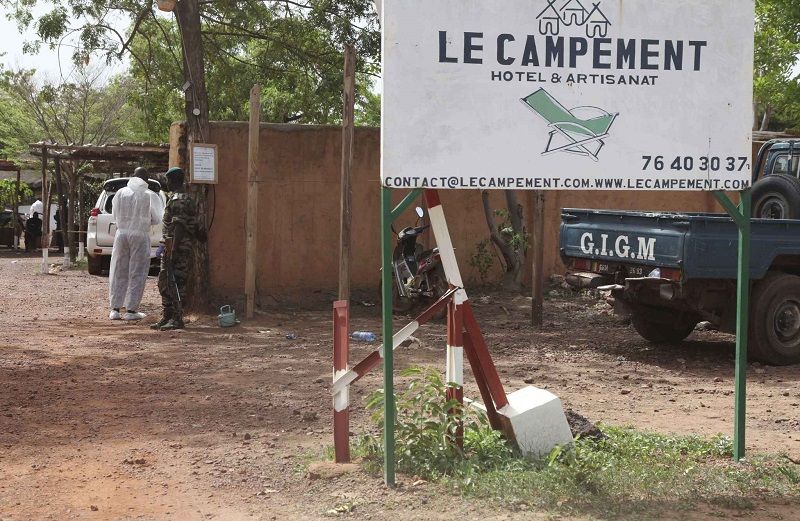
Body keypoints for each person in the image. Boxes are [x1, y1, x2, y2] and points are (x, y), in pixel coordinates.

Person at [152, 167, 205, 331]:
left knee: (176, 283)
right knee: (165, 281)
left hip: (177, 247)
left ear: (173, 180)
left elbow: (179, 226)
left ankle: (176, 318)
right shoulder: (184, 198)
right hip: (174, 246)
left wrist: (173, 250)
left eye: (168, 180)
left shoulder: (178, 199)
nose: (166, 183)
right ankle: (167, 315)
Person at [109, 167, 163, 321]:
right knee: (137, 272)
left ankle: (115, 309)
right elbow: (157, 219)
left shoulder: (120, 193)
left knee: (118, 269)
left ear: (133, 176)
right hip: (140, 235)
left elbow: (114, 214)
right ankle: (131, 311)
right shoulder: (150, 195)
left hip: (121, 234)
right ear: (146, 180)